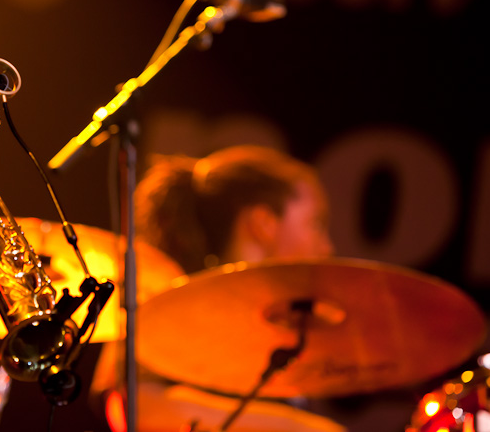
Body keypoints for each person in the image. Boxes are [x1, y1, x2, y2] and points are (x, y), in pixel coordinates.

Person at [91, 144, 335, 430]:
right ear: (264, 223)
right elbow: (136, 407)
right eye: (316, 224)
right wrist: (300, 428)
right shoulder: (170, 301)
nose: (327, 247)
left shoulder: (286, 322)